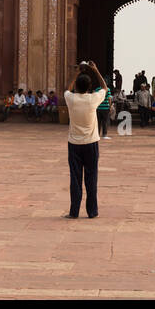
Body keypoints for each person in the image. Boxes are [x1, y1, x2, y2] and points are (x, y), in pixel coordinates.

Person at [65, 60, 107, 218]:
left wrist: (77, 72)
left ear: (77, 86)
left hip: (74, 144)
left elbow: (67, 89)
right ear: (89, 88)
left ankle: (74, 212)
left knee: (75, 179)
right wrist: (95, 70)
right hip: (91, 144)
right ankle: (92, 212)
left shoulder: (71, 99)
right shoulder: (93, 99)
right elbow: (104, 88)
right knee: (91, 178)